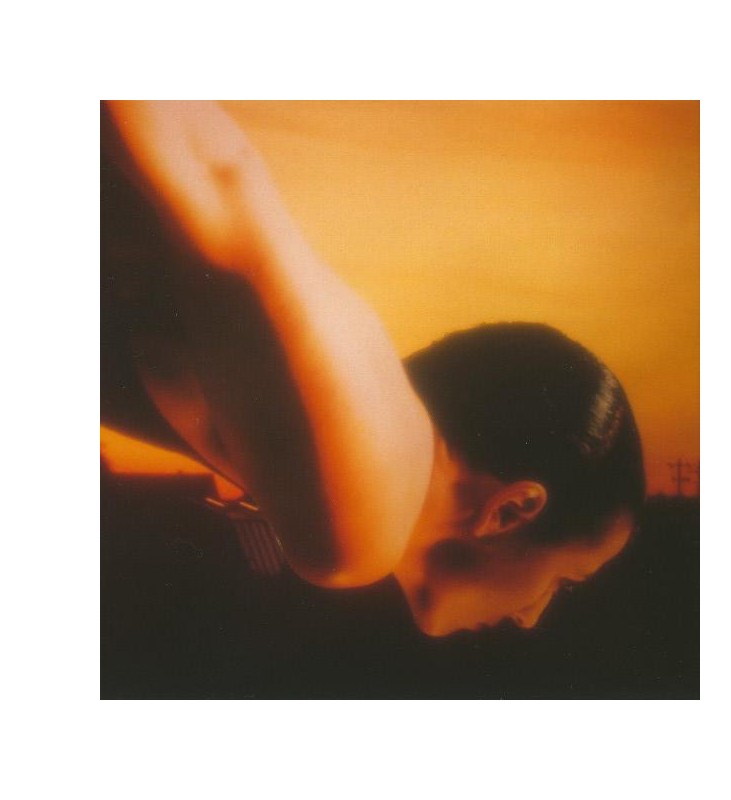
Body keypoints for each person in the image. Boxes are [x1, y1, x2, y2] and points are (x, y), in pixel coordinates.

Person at [101, 101, 644, 637]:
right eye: (565, 581)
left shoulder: (355, 457)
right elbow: (219, 170)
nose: (531, 618)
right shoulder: (362, 522)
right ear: (511, 510)